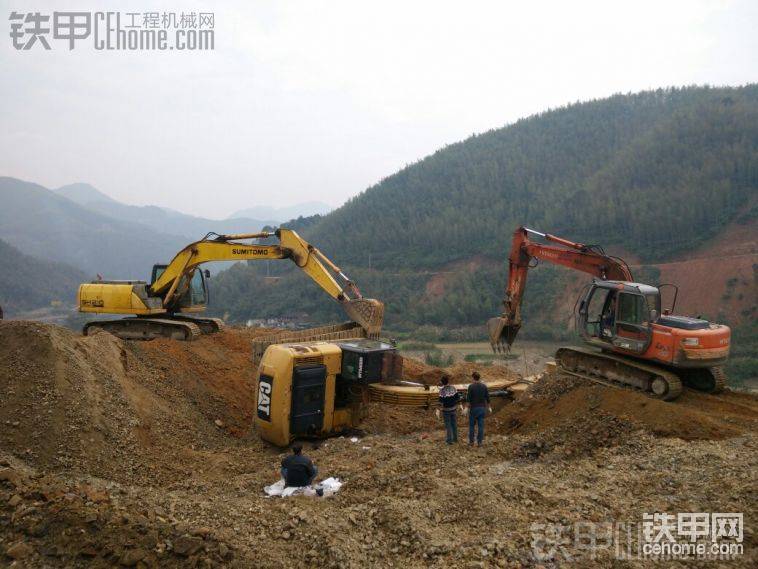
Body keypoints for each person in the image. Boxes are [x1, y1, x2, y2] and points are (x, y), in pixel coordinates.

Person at [466, 371, 492, 447]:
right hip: (482, 409)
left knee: (471, 426)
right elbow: (487, 398)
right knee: (480, 426)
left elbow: (468, 399)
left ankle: (471, 442)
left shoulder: (471, 386)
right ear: (479, 378)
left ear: (473, 378)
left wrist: (466, 408)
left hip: (473, 409)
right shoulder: (484, 386)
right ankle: (479, 443)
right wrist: (489, 407)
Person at [437, 374, 461, 444]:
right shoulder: (454, 388)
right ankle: (455, 439)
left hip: (446, 410)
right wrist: (459, 405)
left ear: (442, 382)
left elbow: (440, 402)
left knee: (448, 425)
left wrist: (438, 410)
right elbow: (457, 398)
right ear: (448, 381)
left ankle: (449, 440)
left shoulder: (442, 391)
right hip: (453, 409)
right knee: (454, 424)